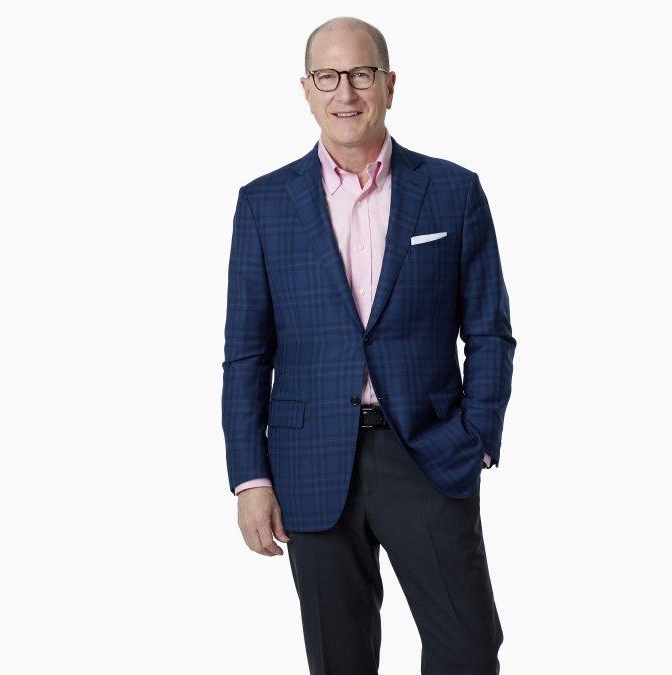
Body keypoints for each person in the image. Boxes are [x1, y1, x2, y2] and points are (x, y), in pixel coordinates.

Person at [221, 16, 516, 675]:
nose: (345, 92)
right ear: (306, 89)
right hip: (308, 462)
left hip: (428, 453)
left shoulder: (453, 191)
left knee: (468, 652)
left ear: (389, 84)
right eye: (327, 76)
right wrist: (251, 476)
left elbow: (490, 331)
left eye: (360, 74)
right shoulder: (264, 204)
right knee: (340, 662)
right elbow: (246, 355)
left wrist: (476, 437)